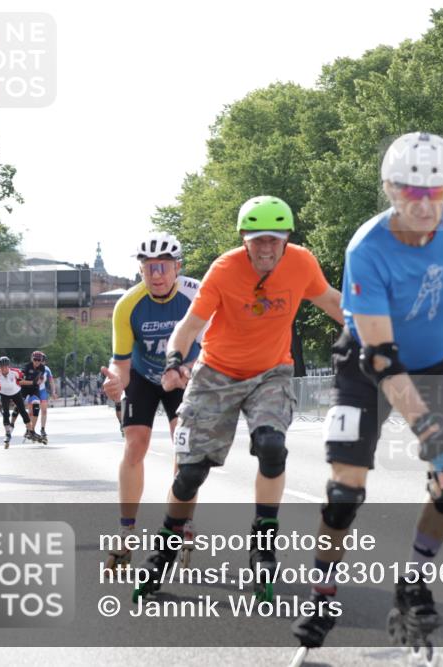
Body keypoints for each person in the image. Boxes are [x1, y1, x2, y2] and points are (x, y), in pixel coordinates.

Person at [290, 132, 443, 653]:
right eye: (409, 192)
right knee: (344, 493)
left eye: (435, 192)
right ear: (388, 189)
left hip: (441, 363)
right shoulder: (367, 248)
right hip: (368, 366)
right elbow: (383, 361)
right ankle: (323, 590)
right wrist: (431, 435)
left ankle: (413, 580)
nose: (423, 205)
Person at [132, 195, 343, 603]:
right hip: (216, 373)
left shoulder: (301, 263)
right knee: (191, 473)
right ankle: (165, 547)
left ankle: (263, 544)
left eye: (274, 240)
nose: (266, 249)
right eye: (258, 240)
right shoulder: (225, 269)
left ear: (286, 239)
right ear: (244, 239)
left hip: (272, 372)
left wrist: (380, 337)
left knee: (272, 447)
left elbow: (334, 303)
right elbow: (189, 325)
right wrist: (175, 359)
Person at [100, 233, 203, 571]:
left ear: (178, 268)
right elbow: (122, 364)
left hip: (184, 374)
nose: (156, 275)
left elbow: (215, 348)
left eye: (163, 267)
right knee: (135, 445)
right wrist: (115, 381)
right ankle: (126, 529)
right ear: (140, 271)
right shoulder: (127, 304)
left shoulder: (197, 294)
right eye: (148, 268)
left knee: (184, 444)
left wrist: (185, 369)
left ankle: (181, 520)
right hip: (144, 377)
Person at [0, 356, 33, 448]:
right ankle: (7, 433)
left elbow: (21, 380)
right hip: (4, 394)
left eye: (5, 366)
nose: (3, 369)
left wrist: (29, 383)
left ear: (8, 366)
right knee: (5, 413)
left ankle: (30, 430)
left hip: (16, 392)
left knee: (22, 411)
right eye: (1, 367)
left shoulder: (16, 372)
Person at [36, 353, 57, 438]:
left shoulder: (47, 369)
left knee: (44, 411)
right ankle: (30, 429)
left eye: (43, 361)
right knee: (33, 412)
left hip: (42, 391)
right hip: (33, 391)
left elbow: (51, 381)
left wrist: (53, 392)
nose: (42, 363)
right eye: (40, 361)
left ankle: (42, 429)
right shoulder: (32, 368)